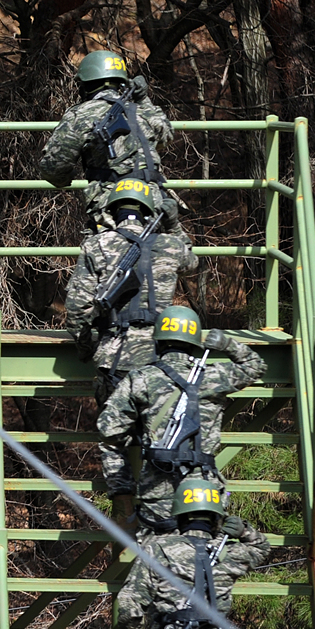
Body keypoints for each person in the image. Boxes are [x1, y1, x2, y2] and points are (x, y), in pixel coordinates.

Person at [97, 306, 266, 534]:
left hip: (155, 490)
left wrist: (121, 490)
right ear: (194, 343)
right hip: (204, 491)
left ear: (157, 343)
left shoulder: (140, 379)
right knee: (202, 558)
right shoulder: (214, 376)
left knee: (157, 559)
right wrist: (228, 345)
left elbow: (109, 433)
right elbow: (256, 367)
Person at [116, 479, 271, 629]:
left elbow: (127, 607)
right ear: (216, 518)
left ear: (178, 514)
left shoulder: (157, 550)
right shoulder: (227, 553)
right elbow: (261, 547)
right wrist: (242, 530)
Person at [65, 179, 198, 402]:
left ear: (112, 211)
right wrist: (173, 224)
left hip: (114, 357)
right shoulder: (171, 245)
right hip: (161, 356)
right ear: (149, 211)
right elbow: (191, 261)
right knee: (160, 432)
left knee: (115, 431)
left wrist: (86, 348)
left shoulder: (96, 245)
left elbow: (77, 310)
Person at [38, 50, 182, 235]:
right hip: (154, 205)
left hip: (111, 209)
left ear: (85, 85)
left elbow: (53, 169)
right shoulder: (141, 110)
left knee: (107, 261)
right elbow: (166, 135)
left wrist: (69, 176)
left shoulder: (79, 115)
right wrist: (143, 99)